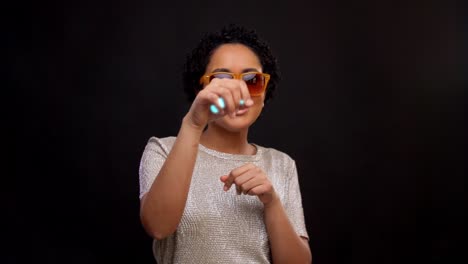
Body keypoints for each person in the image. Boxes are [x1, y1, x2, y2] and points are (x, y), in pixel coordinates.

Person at [138, 24, 312, 263]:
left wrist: (271, 202)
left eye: (252, 80)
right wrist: (193, 123)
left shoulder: (282, 165)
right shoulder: (163, 150)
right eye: (221, 79)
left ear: (265, 91)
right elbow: (158, 227)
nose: (238, 91)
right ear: (201, 88)